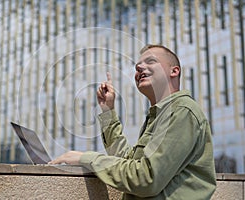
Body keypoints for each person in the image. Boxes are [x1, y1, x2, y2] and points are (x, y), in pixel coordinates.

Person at [49, 44, 217, 199]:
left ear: (174, 71)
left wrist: (85, 158)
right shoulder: (159, 116)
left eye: (151, 61)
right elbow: (126, 162)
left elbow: (146, 179)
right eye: (137, 66)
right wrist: (108, 111)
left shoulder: (182, 111)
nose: (139, 68)